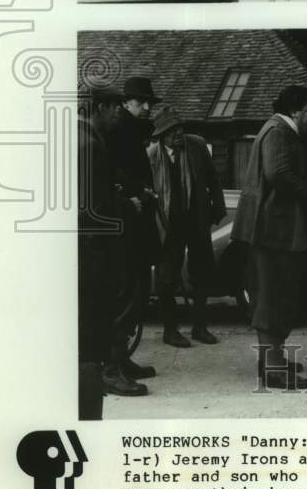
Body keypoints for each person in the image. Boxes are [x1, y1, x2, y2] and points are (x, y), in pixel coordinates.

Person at [232, 85, 307, 389]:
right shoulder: (278, 132)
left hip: (274, 228)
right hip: (275, 230)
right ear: (295, 111)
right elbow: (279, 174)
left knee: (274, 295)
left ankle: (271, 360)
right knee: (274, 297)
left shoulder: (277, 129)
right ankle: (273, 369)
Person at [78, 87, 139, 417]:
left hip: (83, 254)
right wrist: (126, 204)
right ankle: (106, 377)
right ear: (100, 107)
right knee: (92, 338)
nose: (118, 115)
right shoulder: (89, 146)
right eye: (115, 108)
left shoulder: (75, 139)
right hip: (94, 257)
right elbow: (96, 213)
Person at [148, 107, 227, 349]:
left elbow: (213, 179)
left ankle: (199, 327)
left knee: (202, 272)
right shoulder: (152, 155)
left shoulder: (197, 146)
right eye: (172, 131)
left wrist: (218, 208)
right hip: (168, 223)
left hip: (196, 218)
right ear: (161, 135)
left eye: (180, 128)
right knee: (166, 277)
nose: (178, 134)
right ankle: (170, 330)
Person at [102, 76, 162, 387]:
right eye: (141, 102)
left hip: (137, 220)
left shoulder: (129, 127)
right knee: (126, 292)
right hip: (127, 222)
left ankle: (121, 359)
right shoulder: (116, 129)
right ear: (125, 102)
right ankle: (112, 368)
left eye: (149, 102)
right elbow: (111, 169)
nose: (147, 107)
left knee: (136, 290)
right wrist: (139, 189)